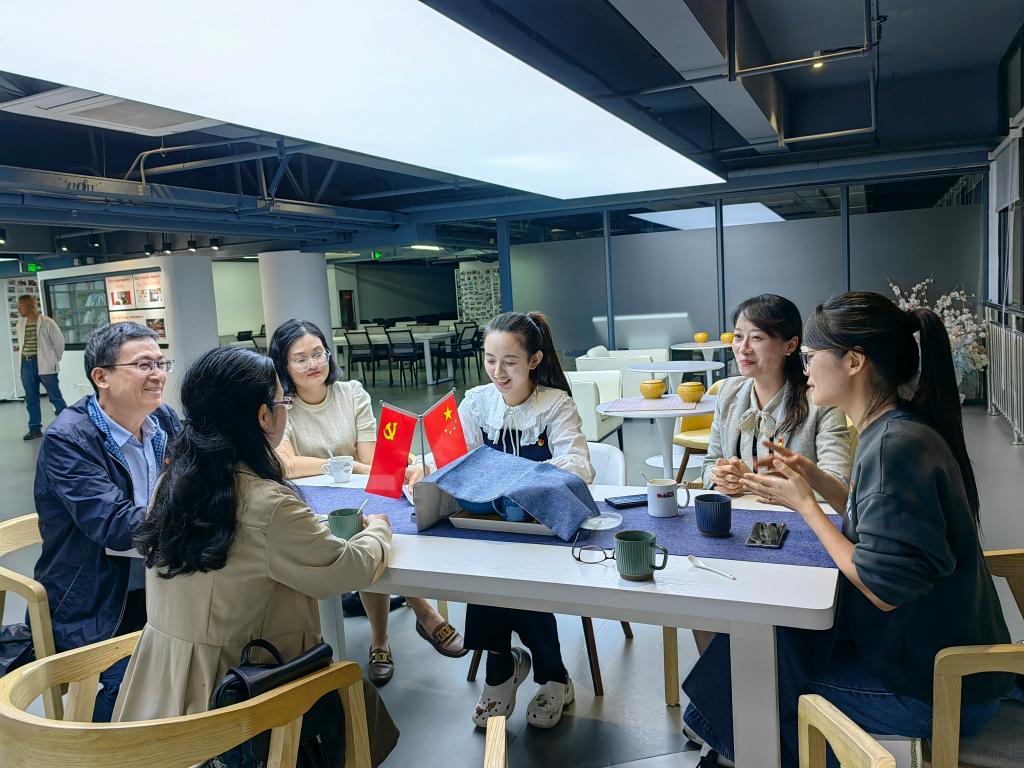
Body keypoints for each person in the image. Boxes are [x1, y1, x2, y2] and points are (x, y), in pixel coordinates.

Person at [680, 292, 1013, 767]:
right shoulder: (897, 427)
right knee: (773, 648)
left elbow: (883, 589)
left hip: (935, 689)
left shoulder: (893, 448)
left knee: (757, 677)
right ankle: (723, 740)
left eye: (811, 357)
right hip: (936, 664)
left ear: (855, 362)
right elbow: (873, 520)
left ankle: (727, 743)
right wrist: (814, 478)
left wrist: (806, 506)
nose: (806, 370)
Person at [112, 346, 399, 766]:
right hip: (242, 698)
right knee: (356, 691)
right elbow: (344, 570)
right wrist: (378, 531)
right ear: (264, 417)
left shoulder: (172, 483)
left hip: (162, 690)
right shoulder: (268, 503)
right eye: (283, 402)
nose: (285, 409)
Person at [408, 311, 594, 730]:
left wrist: (513, 476)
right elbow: (456, 458)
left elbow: (579, 465)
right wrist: (426, 466)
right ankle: (538, 672)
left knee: (516, 577)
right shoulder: (477, 402)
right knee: (488, 572)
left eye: (509, 361)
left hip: (542, 524)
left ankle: (517, 673)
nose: (498, 371)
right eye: (490, 360)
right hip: (487, 523)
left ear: (534, 360)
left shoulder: (554, 404)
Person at [269, 319, 464, 688]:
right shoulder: (283, 406)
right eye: (301, 359)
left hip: (361, 494)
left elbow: (371, 460)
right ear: (283, 365)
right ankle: (422, 612)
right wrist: (339, 465)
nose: (313, 364)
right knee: (362, 532)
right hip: (314, 504)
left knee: (374, 525)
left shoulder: (351, 392)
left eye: (318, 354)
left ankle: (382, 639)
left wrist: (352, 468)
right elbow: (287, 464)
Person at [33, 322, 180, 721]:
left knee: (226, 653)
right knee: (135, 688)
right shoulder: (68, 439)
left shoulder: (163, 421)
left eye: (161, 363)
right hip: (99, 598)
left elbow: (201, 482)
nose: (157, 374)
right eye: (143, 364)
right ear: (102, 377)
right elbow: (116, 526)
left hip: (164, 583)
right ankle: (90, 748)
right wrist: (193, 512)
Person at [701, 294, 852, 497]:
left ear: (790, 345)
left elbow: (837, 483)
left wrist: (751, 482)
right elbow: (710, 463)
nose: (743, 348)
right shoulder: (728, 392)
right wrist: (722, 478)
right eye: (738, 337)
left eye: (757, 338)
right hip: (737, 511)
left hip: (796, 515)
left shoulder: (821, 401)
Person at [15, 293, 67, 440]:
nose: (18, 309)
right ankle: (34, 429)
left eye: (20, 306)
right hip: (26, 364)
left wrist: (53, 360)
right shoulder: (20, 324)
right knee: (31, 398)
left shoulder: (47, 322)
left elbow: (59, 343)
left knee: (55, 397)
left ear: (31, 306)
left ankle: (67, 426)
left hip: (45, 364)